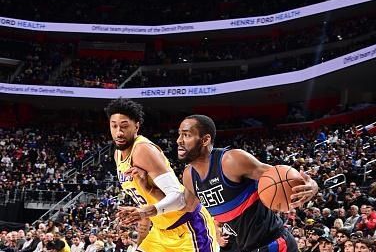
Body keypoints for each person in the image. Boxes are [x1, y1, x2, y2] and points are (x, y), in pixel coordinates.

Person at [177, 114, 319, 252]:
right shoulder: (189, 176)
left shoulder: (231, 161)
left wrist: (312, 185)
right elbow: (190, 208)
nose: (179, 140)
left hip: (272, 243)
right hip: (242, 246)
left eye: (186, 135)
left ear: (205, 140)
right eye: (179, 135)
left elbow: (284, 177)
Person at [105, 98, 218, 252]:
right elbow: (148, 199)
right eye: (114, 126)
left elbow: (180, 199)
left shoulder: (142, 150)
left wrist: (144, 211)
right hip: (160, 232)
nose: (118, 132)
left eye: (124, 126)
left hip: (188, 228)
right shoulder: (118, 154)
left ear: (136, 126)